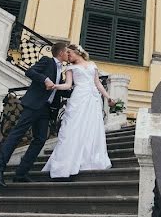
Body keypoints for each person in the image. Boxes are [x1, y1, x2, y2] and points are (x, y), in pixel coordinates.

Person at [0, 41, 71, 187]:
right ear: (61, 52)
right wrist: (45, 79)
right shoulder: (47, 61)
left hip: (46, 108)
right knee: (16, 135)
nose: (69, 54)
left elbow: (61, 89)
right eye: (67, 51)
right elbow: (30, 72)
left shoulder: (61, 70)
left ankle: (21, 173)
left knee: (40, 139)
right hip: (34, 105)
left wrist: (81, 89)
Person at [41, 44, 113, 181]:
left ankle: (87, 161)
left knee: (91, 129)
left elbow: (97, 83)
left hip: (92, 99)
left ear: (76, 52)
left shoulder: (92, 64)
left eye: (69, 53)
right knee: (72, 128)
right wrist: (55, 86)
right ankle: (63, 165)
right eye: (66, 54)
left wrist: (108, 97)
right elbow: (68, 85)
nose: (68, 56)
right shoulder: (70, 68)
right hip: (79, 98)